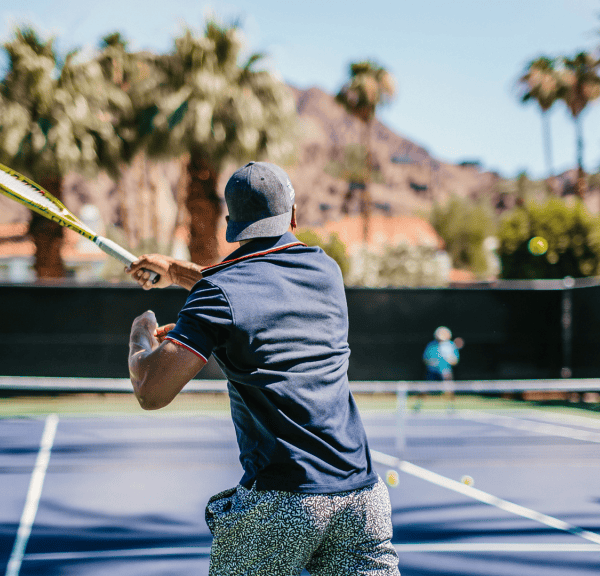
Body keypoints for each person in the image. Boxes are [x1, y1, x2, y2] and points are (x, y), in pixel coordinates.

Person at [125, 161, 399, 576]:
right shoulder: (325, 270)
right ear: (293, 214)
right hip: (361, 499)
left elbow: (151, 391)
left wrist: (141, 332)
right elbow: (252, 287)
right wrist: (175, 270)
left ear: (230, 224)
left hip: (280, 504)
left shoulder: (217, 295)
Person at [419, 327, 460, 410]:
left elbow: (455, 360)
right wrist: (432, 362)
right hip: (432, 371)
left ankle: (451, 407)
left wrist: (451, 360)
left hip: (445, 372)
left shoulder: (451, 345)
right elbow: (425, 358)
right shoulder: (431, 345)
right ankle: (418, 405)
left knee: (449, 389)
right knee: (425, 389)